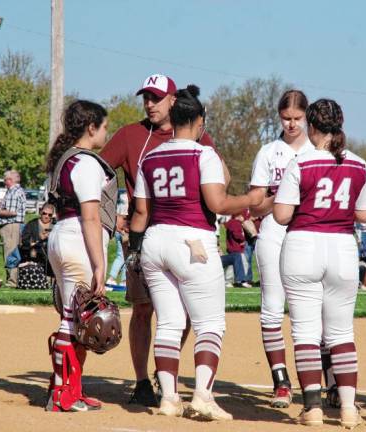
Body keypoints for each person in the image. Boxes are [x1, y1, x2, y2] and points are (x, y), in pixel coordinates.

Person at [129, 84, 258, 420]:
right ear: (200, 120)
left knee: (169, 323)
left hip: (155, 241)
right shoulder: (204, 154)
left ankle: (169, 398)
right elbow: (218, 203)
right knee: (210, 323)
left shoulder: (150, 156)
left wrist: (134, 248)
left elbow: (140, 213)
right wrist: (253, 201)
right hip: (192, 242)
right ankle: (202, 395)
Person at [100, 74, 228, 406]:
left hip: (179, 234)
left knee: (179, 315)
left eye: (156, 97)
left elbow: (220, 178)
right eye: (146, 97)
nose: (149, 104)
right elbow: (98, 171)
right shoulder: (131, 134)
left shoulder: (196, 136)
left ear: (174, 100)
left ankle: (164, 378)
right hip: (146, 236)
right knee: (143, 310)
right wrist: (110, 214)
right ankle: (143, 380)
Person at [272, 98, 366, 427]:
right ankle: (348, 408)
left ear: (311, 126)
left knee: (306, 332)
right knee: (342, 332)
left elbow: (282, 214)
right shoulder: (359, 164)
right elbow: (364, 214)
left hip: (303, 245)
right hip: (342, 247)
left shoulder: (300, 161)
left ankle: (313, 408)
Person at [45, 100, 116, 412]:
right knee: (74, 321)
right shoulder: (86, 163)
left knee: (73, 319)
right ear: (91, 128)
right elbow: (90, 217)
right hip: (77, 239)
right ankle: (63, 394)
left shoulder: (64, 159)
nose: (106, 133)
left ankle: (67, 388)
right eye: (103, 127)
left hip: (63, 234)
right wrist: (100, 265)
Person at [248, 89, 314, 408]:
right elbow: (255, 206)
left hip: (309, 235)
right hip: (274, 232)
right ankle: (281, 381)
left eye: (297, 118)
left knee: (313, 311)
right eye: (286, 118)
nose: (291, 124)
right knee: (273, 307)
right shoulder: (269, 152)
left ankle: (318, 381)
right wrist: (281, 197)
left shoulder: (319, 150)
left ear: (307, 116)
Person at [0, 170, 26, 287]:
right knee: (11, 252)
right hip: (11, 225)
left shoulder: (14, 192)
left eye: (5, 180)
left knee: (10, 253)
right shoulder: (14, 191)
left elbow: (12, 212)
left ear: (10, 180)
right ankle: (12, 280)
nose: (4, 182)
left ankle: (12, 281)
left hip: (11, 226)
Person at [221, 212, 251, 288]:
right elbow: (236, 234)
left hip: (233, 248)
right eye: (242, 216)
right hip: (236, 248)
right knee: (243, 264)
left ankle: (230, 281)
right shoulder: (235, 223)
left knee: (232, 265)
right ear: (238, 216)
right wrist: (242, 240)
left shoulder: (233, 222)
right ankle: (240, 281)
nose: (244, 218)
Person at [107, 190, 129, 287]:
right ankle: (124, 281)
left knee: (120, 255)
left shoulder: (118, 201)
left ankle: (111, 278)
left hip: (117, 230)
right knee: (126, 257)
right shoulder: (127, 203)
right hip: (125, 231)